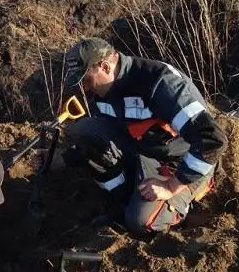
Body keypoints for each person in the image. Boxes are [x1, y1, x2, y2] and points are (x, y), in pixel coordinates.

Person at [56, 37, 227, 237]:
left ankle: (177, 205)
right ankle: (124, 199)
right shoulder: (105, 88)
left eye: (85, 79)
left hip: (180, 162)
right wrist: (64, 159)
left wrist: (172, 185)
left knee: (140, 222)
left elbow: (212, 140)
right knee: (86, 130)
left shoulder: (159, 83)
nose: (84, 88)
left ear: (104, 66)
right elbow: (107, 133)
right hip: (144, 151)